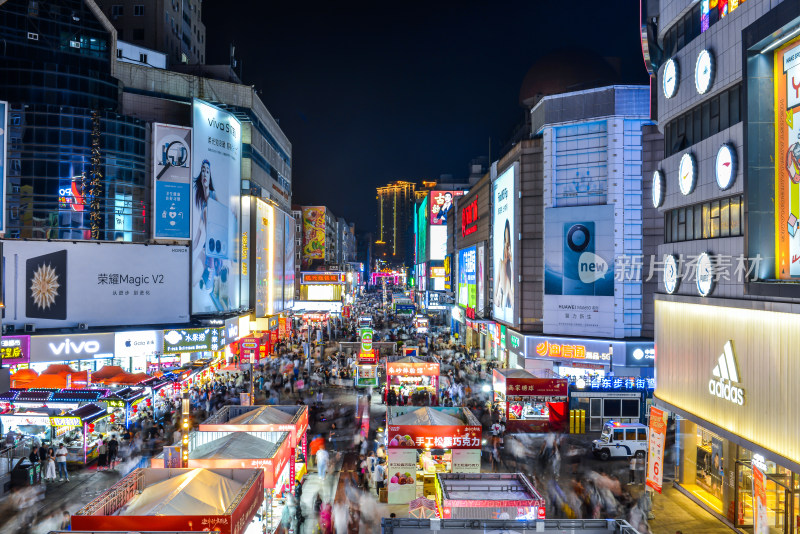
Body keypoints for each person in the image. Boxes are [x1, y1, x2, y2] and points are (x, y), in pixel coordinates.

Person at [494, 220, 515, 317]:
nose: (507, 248)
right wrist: (496, 297)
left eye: (508, 244)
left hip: (511, 301)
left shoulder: (513, 265)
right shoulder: (501, 264)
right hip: (504, 302)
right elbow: (495, 290)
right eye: (505, 244)